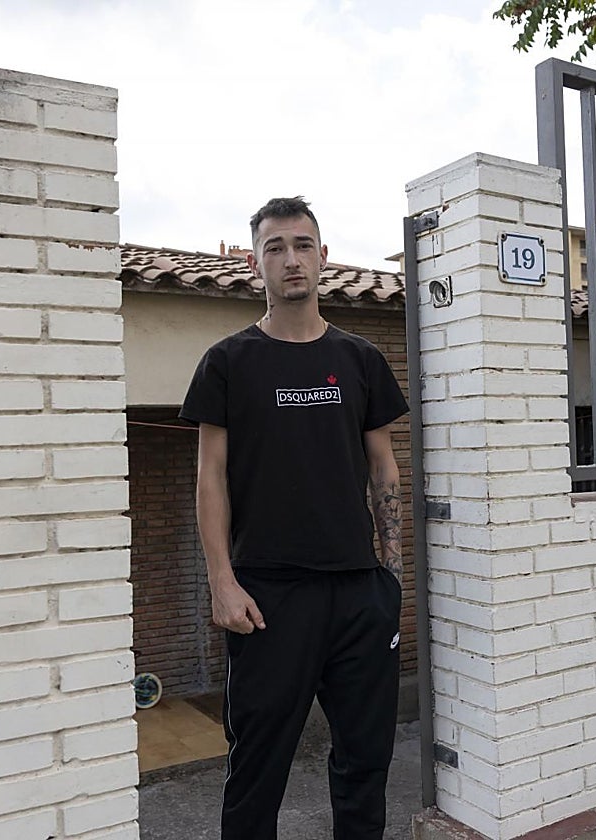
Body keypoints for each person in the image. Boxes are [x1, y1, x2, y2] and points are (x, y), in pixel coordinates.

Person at [179, 196, 409, 839]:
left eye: (302, 245)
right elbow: (210, 477)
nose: (291, 259)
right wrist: (222, 582)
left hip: (359, 595)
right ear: (255, 264)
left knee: (366, 766)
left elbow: (384, 468)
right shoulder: (227, 362)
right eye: (275, 248)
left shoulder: (361, 359)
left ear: (323, 257)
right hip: (266, 600)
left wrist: (391, 577)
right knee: (257, 772)